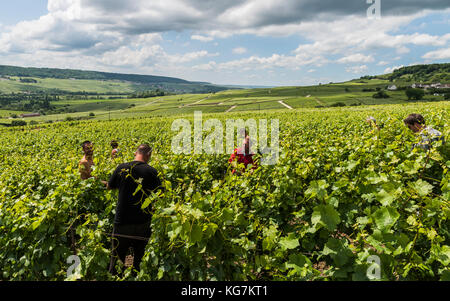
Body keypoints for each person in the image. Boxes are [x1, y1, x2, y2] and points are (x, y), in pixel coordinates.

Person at [107, 144, 161, 275]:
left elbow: (110, 186)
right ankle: (131, 274)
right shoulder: (153, 172)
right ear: (149, 155)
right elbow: (159, 194)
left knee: (118, 255)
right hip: (142, 222)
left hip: (122, 221)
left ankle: (119, 275)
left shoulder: (122, 168)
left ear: (135, 153)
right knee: (135, 253)